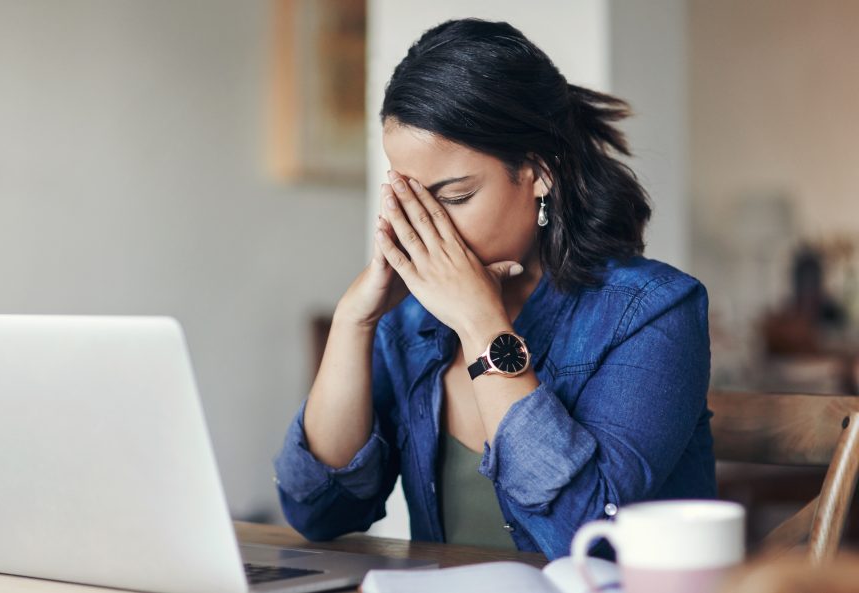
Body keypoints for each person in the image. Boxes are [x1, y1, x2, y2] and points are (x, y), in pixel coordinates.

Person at [272, 18, 715, 559]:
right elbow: (318, 511)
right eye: (412, 198)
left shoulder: (652, 312)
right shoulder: (411, 323)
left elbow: (584, 541)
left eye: (455, 196)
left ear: (538, 172)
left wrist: (481, 324)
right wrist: (354, 322)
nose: (430, 226)